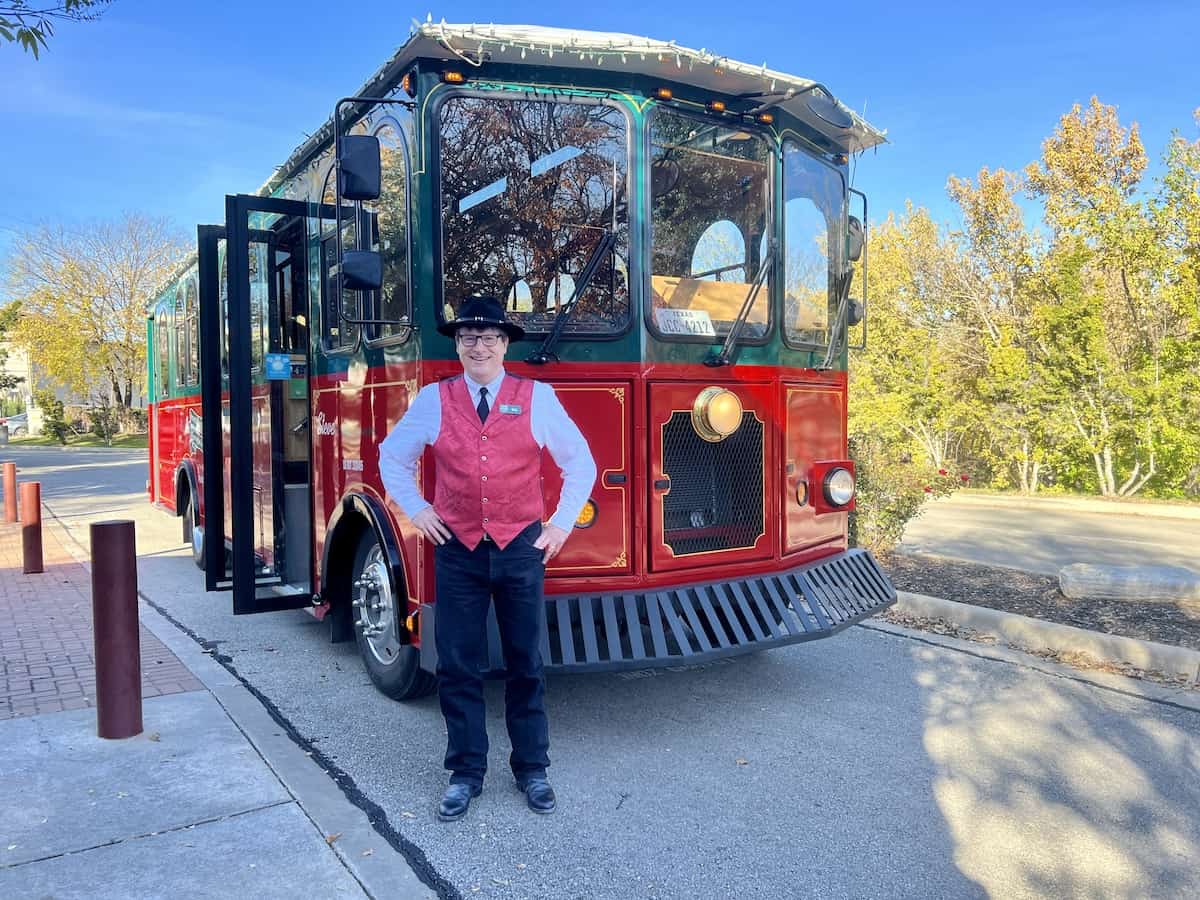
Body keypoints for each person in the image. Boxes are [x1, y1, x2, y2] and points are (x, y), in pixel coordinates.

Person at [379, 295, 597, 822]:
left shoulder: (536, 396)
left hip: (521, 547)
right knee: (457, 664)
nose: (479, 346)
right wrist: (417, 510)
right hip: (458, 551)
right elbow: (392, 456)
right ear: (458, 346)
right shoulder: (435, 399)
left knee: (526, 661)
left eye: (490, 338)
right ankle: (465, 772)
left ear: (505, 346)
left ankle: (532, 769)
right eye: (469, 337)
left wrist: (562, 524)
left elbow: (580, 463)